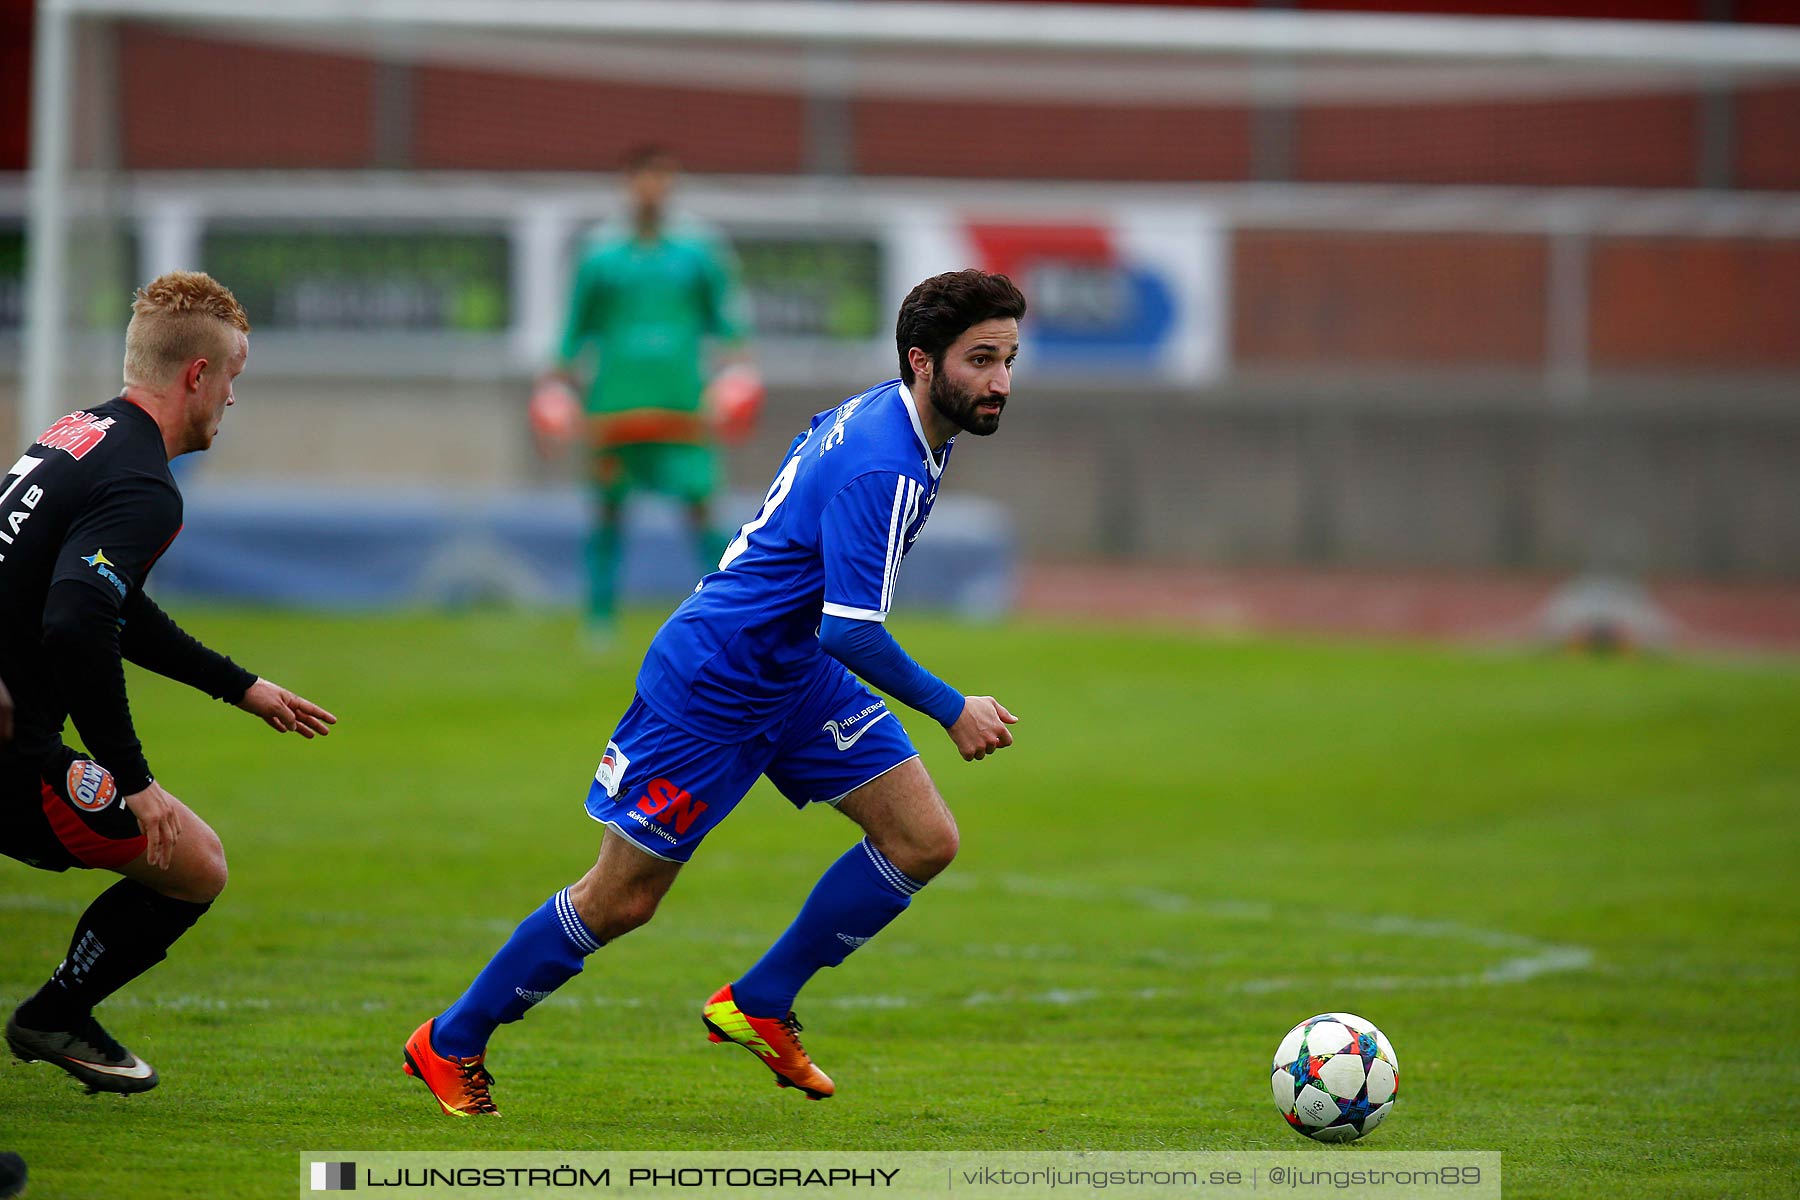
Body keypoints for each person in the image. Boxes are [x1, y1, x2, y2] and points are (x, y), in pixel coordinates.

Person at [405, 269, 1026, 1114]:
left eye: (1009, 359)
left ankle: (760, 1002)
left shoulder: (904, 417)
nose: (1000, 382)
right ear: (922, 361)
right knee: (621, 899)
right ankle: (448, 1040)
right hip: (713, 684)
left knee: (922, 838)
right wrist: (953, 708)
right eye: (982, 359)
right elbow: (852, 629)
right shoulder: (884, 467)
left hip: (792, 670)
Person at [0, 271, 336, 1095]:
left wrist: (240, 685)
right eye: (233, 379)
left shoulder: (78, 432)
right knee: (195, 862)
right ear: (197, 376)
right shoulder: (144, 485)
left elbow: (108, 603)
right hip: (13, 739)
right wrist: (135, 780)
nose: (232, 399)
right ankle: (56, 1013)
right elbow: (79, 618)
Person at [536, 144, 758, 651]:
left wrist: (739, 377)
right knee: (608, 511)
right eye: (644, 178)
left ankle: (732, 614)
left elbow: (728, 327)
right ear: (628, 182)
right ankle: (598, 620)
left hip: (681, 402)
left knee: (700, 506)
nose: (653, 189)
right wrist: (554, 386)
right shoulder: (600, 255)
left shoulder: (698, 253)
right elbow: (574, 330)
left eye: (662, 178)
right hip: (614, 402)